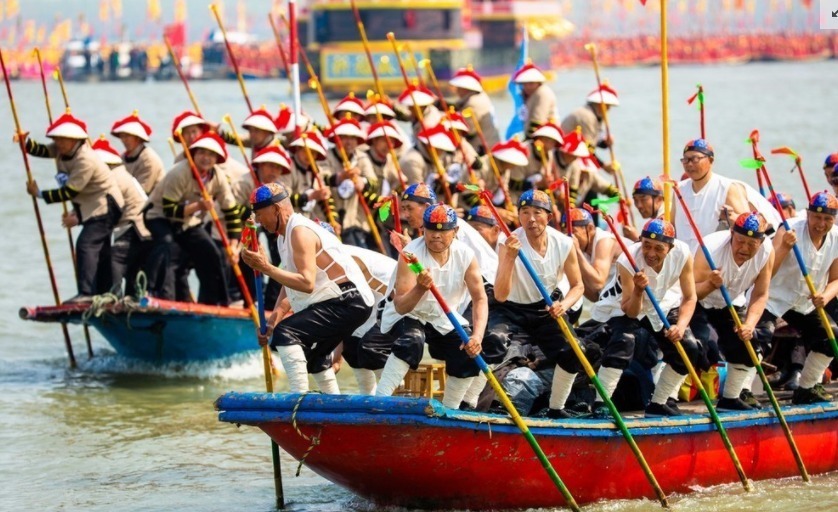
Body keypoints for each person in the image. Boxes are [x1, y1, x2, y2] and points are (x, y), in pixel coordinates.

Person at [242, 183, 375, 394]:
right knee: (315, 357)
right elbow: (290, 286)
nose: (258, 221)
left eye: (259, 214)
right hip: (343, 302)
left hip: (349, 300)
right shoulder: (282, 238)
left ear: (276, 209)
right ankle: (332, 407)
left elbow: (306, 283)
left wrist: (266, 268)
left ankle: (297, 401)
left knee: (287, 334)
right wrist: (271, 323)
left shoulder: (299, 231)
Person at [376, 204, 488, 408]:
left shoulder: (465, 255)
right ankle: (379, 401)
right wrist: (419, 288)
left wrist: (477, 337)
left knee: (469, 350)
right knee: (412, 341)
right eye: (431, 230)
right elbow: (401, 306)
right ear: (423, 230)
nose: (436, 235)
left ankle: (451, 411)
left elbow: (480, 299)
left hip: (443, 317)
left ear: (455, 232)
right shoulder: (411, 255)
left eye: (443, 230)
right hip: (407, 314)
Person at [588, 219, 702, 417]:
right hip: (626, 303)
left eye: (659, 248)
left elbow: (690, 297)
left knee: (689, 347)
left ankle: (660, 402)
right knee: (623, 342)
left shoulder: (683, 253)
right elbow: (631, 312)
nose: (650, 253)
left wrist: (681, 327)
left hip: (662, 302)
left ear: (670, 247)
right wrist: (639, 290)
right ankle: (602, 403)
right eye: (646, 245)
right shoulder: (627, 261)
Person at [488, 190, 585, 418]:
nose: (531, 219)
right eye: (525, 213)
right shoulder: (508, 241)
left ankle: (556, 407)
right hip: (510, 310)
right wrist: (510, 258)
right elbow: (500, 295)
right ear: (519, 216)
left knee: (575, 351)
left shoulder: (563, 243)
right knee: (493, 342)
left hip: (546, 308)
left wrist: (565, 305)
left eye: (537, 213)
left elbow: (578, 286)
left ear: (549, 217)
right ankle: (471, 403)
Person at [23, 112, 124, 302]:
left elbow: (68, 192)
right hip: (92, 207)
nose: (59, 143)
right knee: (101, 251)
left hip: (106, 206)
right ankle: (107, 293)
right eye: (57, 139)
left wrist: (39, 194)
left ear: (75, 140)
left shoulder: (85, 160)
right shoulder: (64, 149)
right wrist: (25, 142)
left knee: (86, 245)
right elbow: (44, 151)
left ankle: (86, 293)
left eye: (63, 139)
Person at [144, 132, 241, 305]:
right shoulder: (179, 172)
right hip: (158, 216)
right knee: (167, 245)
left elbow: (231, 211)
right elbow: (169, 210)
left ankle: (214, 303)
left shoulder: (218, 177)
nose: (206, 158)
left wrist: (233, 245)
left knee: (212, 253)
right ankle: (157, 294)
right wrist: (198, 206)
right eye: (202, 153)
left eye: (211, 155)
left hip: (187, 222)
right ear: (194, 153)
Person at [759, 191, 838, 405]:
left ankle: (807, 388)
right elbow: (767, 271)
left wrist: (826, 295)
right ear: (808, 214)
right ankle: (738, 394)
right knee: (758, 337)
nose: (821, 224)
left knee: (831, 337)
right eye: (816, 217)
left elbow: (836, 280)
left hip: (805, 303)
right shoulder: (788, 227)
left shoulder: (837, 237)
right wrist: (784, 246)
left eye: (827, 219)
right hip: (773, 297)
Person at [691, 212, 773, 410]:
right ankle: (661, 401)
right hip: (697, 301)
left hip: (731, 302)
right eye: (740, 241)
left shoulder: (767, 252)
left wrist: (749, 325)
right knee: (692, 346)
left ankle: (730, 399)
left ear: (760, 243)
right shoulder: (710, 247)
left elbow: (760, 295)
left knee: (749, 346)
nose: (744, 249)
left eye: (751, 244)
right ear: (731, 234)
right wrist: (710, 283)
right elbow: (690, 293)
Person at [90, 136, 151, 297]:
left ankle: (112, 296)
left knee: (115, 259)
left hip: (135, 227)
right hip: (142, 226)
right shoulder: (119, 173)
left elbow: (109, 209)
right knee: (133, 270)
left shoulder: (111, 177)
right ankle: (130, 298)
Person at [674, 139, 750, 254]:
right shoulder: (677, 189)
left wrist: (732, 218)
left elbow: (748, 225)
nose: (689, 164)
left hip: (712, 261)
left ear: (710, 160)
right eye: (686, 159)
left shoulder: (728, 187)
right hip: (683, 263)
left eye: (695, 159)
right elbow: (670, 225)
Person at [322, 117, 379, 249]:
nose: (349, 142)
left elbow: (374, 183)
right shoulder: (326, 156)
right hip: (331, 216)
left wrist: (362, 182)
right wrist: (340, 177)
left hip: (356, 218)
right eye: (344, 137)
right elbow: (321, 178)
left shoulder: (362, 157)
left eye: (352, 138)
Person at [560, 84, 619, 172]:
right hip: (565, 154)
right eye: (607, 106)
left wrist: (605, 143)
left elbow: (594, 140)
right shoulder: (587, 117)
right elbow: (587, 149)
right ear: (600, 105)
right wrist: (603, 166)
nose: (609, 109)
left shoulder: (596, 116)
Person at [565, 207, 615, 301]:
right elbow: (595, 297)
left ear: (590, 228)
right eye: (566, 233)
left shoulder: (604, 240)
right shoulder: (582, 251)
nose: (569, 238)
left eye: (573, 232)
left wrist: (577, 251)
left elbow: (598, 284)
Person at [110, 111, 165, 194]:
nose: (125, 140)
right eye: (122, 136)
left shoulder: (149, 159)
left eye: (128, 136)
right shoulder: (122, 159)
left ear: (138, 138)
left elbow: (142, 192)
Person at [450, 66, 499, 155]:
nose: (457, 91)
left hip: (483, 149)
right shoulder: (480, 97)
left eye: (458, 88)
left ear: (465, 88)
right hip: (488, 144)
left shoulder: (473, 103)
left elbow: (467, 130)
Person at [511, 61, 557, 139]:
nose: (527, 87)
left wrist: (528, 139)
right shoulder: (530, 95)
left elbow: (538, 120)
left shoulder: (542, 93)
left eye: (531, 83)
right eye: (525, 84)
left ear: (538, 82)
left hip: (545, 138)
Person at [623, 177, 664, 242]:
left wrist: (636, 238)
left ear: (659, 199)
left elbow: (658, 249)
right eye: (635, 200)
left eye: (643, 199)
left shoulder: (664, 220)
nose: (639, 205)